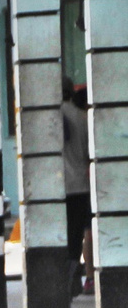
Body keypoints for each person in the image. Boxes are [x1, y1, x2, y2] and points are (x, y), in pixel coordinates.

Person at [61, 84, 93, 295]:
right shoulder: (82, 118)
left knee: (62, 236)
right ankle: (73, 276)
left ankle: (68, 279)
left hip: (58, 187)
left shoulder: (49, 114)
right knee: (77, 235)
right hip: (81, 185)